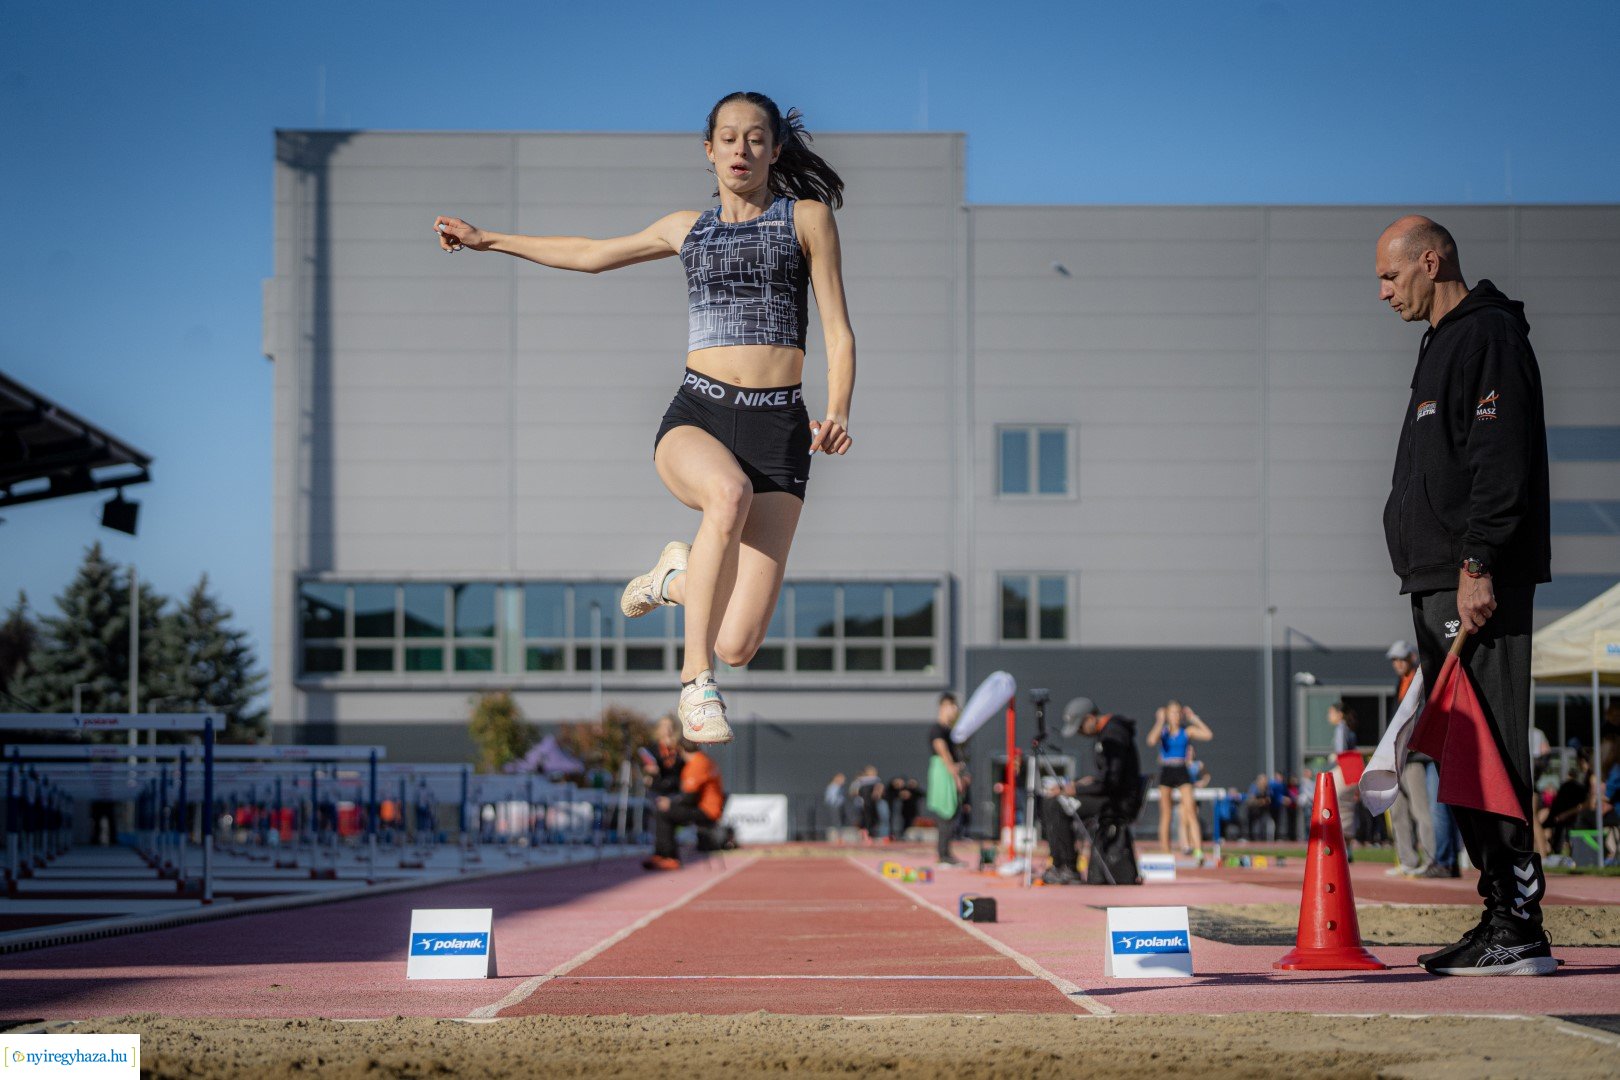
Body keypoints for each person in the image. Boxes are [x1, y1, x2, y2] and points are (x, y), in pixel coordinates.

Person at [433, 92, 855, 747]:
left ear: (774, 149)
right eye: (728, 138)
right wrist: (488, 239)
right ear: (708, 150)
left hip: (780, 432)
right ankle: (695, 683)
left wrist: (837, 412)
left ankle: (673, 580)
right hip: (700, 417)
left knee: (740, 641)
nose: (740, 150)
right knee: (727, 494)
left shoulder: (805, 219)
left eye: (754, 139)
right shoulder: (687, 227)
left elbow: (838, 329)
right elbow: (590, 253)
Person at [1376, 215, 1555, 975]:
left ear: (1431, 258)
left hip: (1473, 577)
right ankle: (1497, 917)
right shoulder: (1438, 345)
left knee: (1489, 750)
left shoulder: (1487, 336)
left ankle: (1519, 926)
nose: (1384, 292)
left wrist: (1478, 560)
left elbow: (1499, 455)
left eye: (1390, 276)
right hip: (1434, 576)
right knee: (1459, 754)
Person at [1042, 699, 1142, 885]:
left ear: (1089, 719)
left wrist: (1076, 789)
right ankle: (1063, 864)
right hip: (1113, 794)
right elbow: (1109, 776)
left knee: (1057, 804)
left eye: (1080, 727)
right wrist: (1087, 782)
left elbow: (1112, 781)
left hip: (1118, 801)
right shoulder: (1109, 733)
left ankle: (1066, 867)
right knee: (1053, 800)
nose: (1080, 733)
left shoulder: (1113, 735)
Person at [1384, 640, 1437, 878]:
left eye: (1401, 659)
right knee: (1398, 809)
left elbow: (1419, 718)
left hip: (1415, 757)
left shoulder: (1420, 681)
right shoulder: (1400, 684)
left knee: (1420, 810)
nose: (1397, 664)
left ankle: (1431, 859)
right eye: (1394, 660)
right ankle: (1407, 859)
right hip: (1399, 757)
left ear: (1411, 657)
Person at [646, 739, 726, 870]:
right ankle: (662, 854)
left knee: (663, 812)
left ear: (682, 750)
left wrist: (669, 802)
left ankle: (668, 857)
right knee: (667, 811)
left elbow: (689, 798)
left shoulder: (696, 764)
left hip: (706, 811)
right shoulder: (705, 760)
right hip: (710, 808)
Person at [1146, 701, 1212, 860]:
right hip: (1167, 770)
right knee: (1166, 813)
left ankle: (1198, 850)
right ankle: (1165, 851)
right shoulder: (1163, 732)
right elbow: (1150, 741)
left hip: (1181, 769)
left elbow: (1208, 735)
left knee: (1190, 810)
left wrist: (1193, 718)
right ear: (1167, 714)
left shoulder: (1186, 731)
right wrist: (1160, 721)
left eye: (1177, 713)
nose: (1175, 716)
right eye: (1172, 713)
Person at [928, 692, 967, 866]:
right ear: (944, 706)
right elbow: (941, 748)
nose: (955, 711)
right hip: (943, 773)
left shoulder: (950, 730)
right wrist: (953, 772)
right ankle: (943, 855)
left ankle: (945, 853)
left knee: (952, 813)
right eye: (953, 707)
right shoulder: (938, 729)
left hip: (948, 772)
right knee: (946, 813)